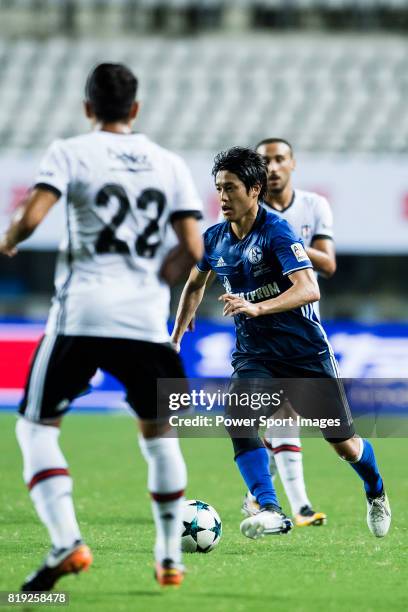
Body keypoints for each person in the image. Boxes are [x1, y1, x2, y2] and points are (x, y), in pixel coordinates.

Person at [0, 63, 203, 590]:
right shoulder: (170, 163)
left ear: (88, 108)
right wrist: (156, 275)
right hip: (146, 321)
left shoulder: (71, 151)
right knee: (162, 438)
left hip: (82, 314)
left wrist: (10, 237)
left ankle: (67, 540)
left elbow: (32, 215)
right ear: (135, 109)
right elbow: (196, 249)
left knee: (35, 427)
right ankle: (168, 557)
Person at [171, 146, 391, 540]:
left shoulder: (276, 232)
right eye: (219, 188)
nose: (222, 197)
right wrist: (174, 337)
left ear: (255, 190)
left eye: (231, 188)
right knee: (238, 420)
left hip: (305, 354)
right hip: (256, 355)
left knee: (345, 444)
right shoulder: (214, 238)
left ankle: (375, 489)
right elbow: (194, 283)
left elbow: (309, 289)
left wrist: (256, 307)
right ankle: (271, 508)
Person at [241, 137, 336, 527]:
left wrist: (287, 239)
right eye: (266, 161)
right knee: (278, 412)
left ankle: (265, 497)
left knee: (286, 413)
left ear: (293, 164)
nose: (274, 167)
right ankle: (295, 506)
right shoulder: (247, 211)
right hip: (262, 325)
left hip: (303, 322)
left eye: (280, 159)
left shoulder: (314, 206)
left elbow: (327, 263)